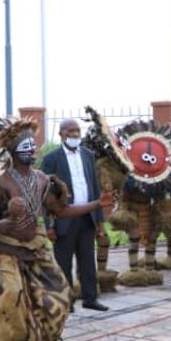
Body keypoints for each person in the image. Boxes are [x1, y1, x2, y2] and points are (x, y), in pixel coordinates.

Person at [0, 118, 103, 341]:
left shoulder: (42, 179)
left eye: (32, 145)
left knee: (60, 290)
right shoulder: (0, 183)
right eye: (25, 146)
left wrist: (95, 204)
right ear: (13, 151)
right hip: (4, 249)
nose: (32, 149)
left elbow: (61, 211)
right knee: (12, 294)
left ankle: (39, 335)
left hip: (34, 247)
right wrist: (3, 223)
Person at [41, 118, 109, 311]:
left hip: (87, 216)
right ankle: (66, 300)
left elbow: (94, 188)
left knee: (88, 260)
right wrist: (49, 226)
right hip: (63, 219)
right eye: (70, 131)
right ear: (61, 134)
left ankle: (90, 298)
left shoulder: (88, 155)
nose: (74, 134)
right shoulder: (51, 159)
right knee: (63, 262)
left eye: (77, 131)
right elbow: (45, 195)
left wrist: (100, 221)